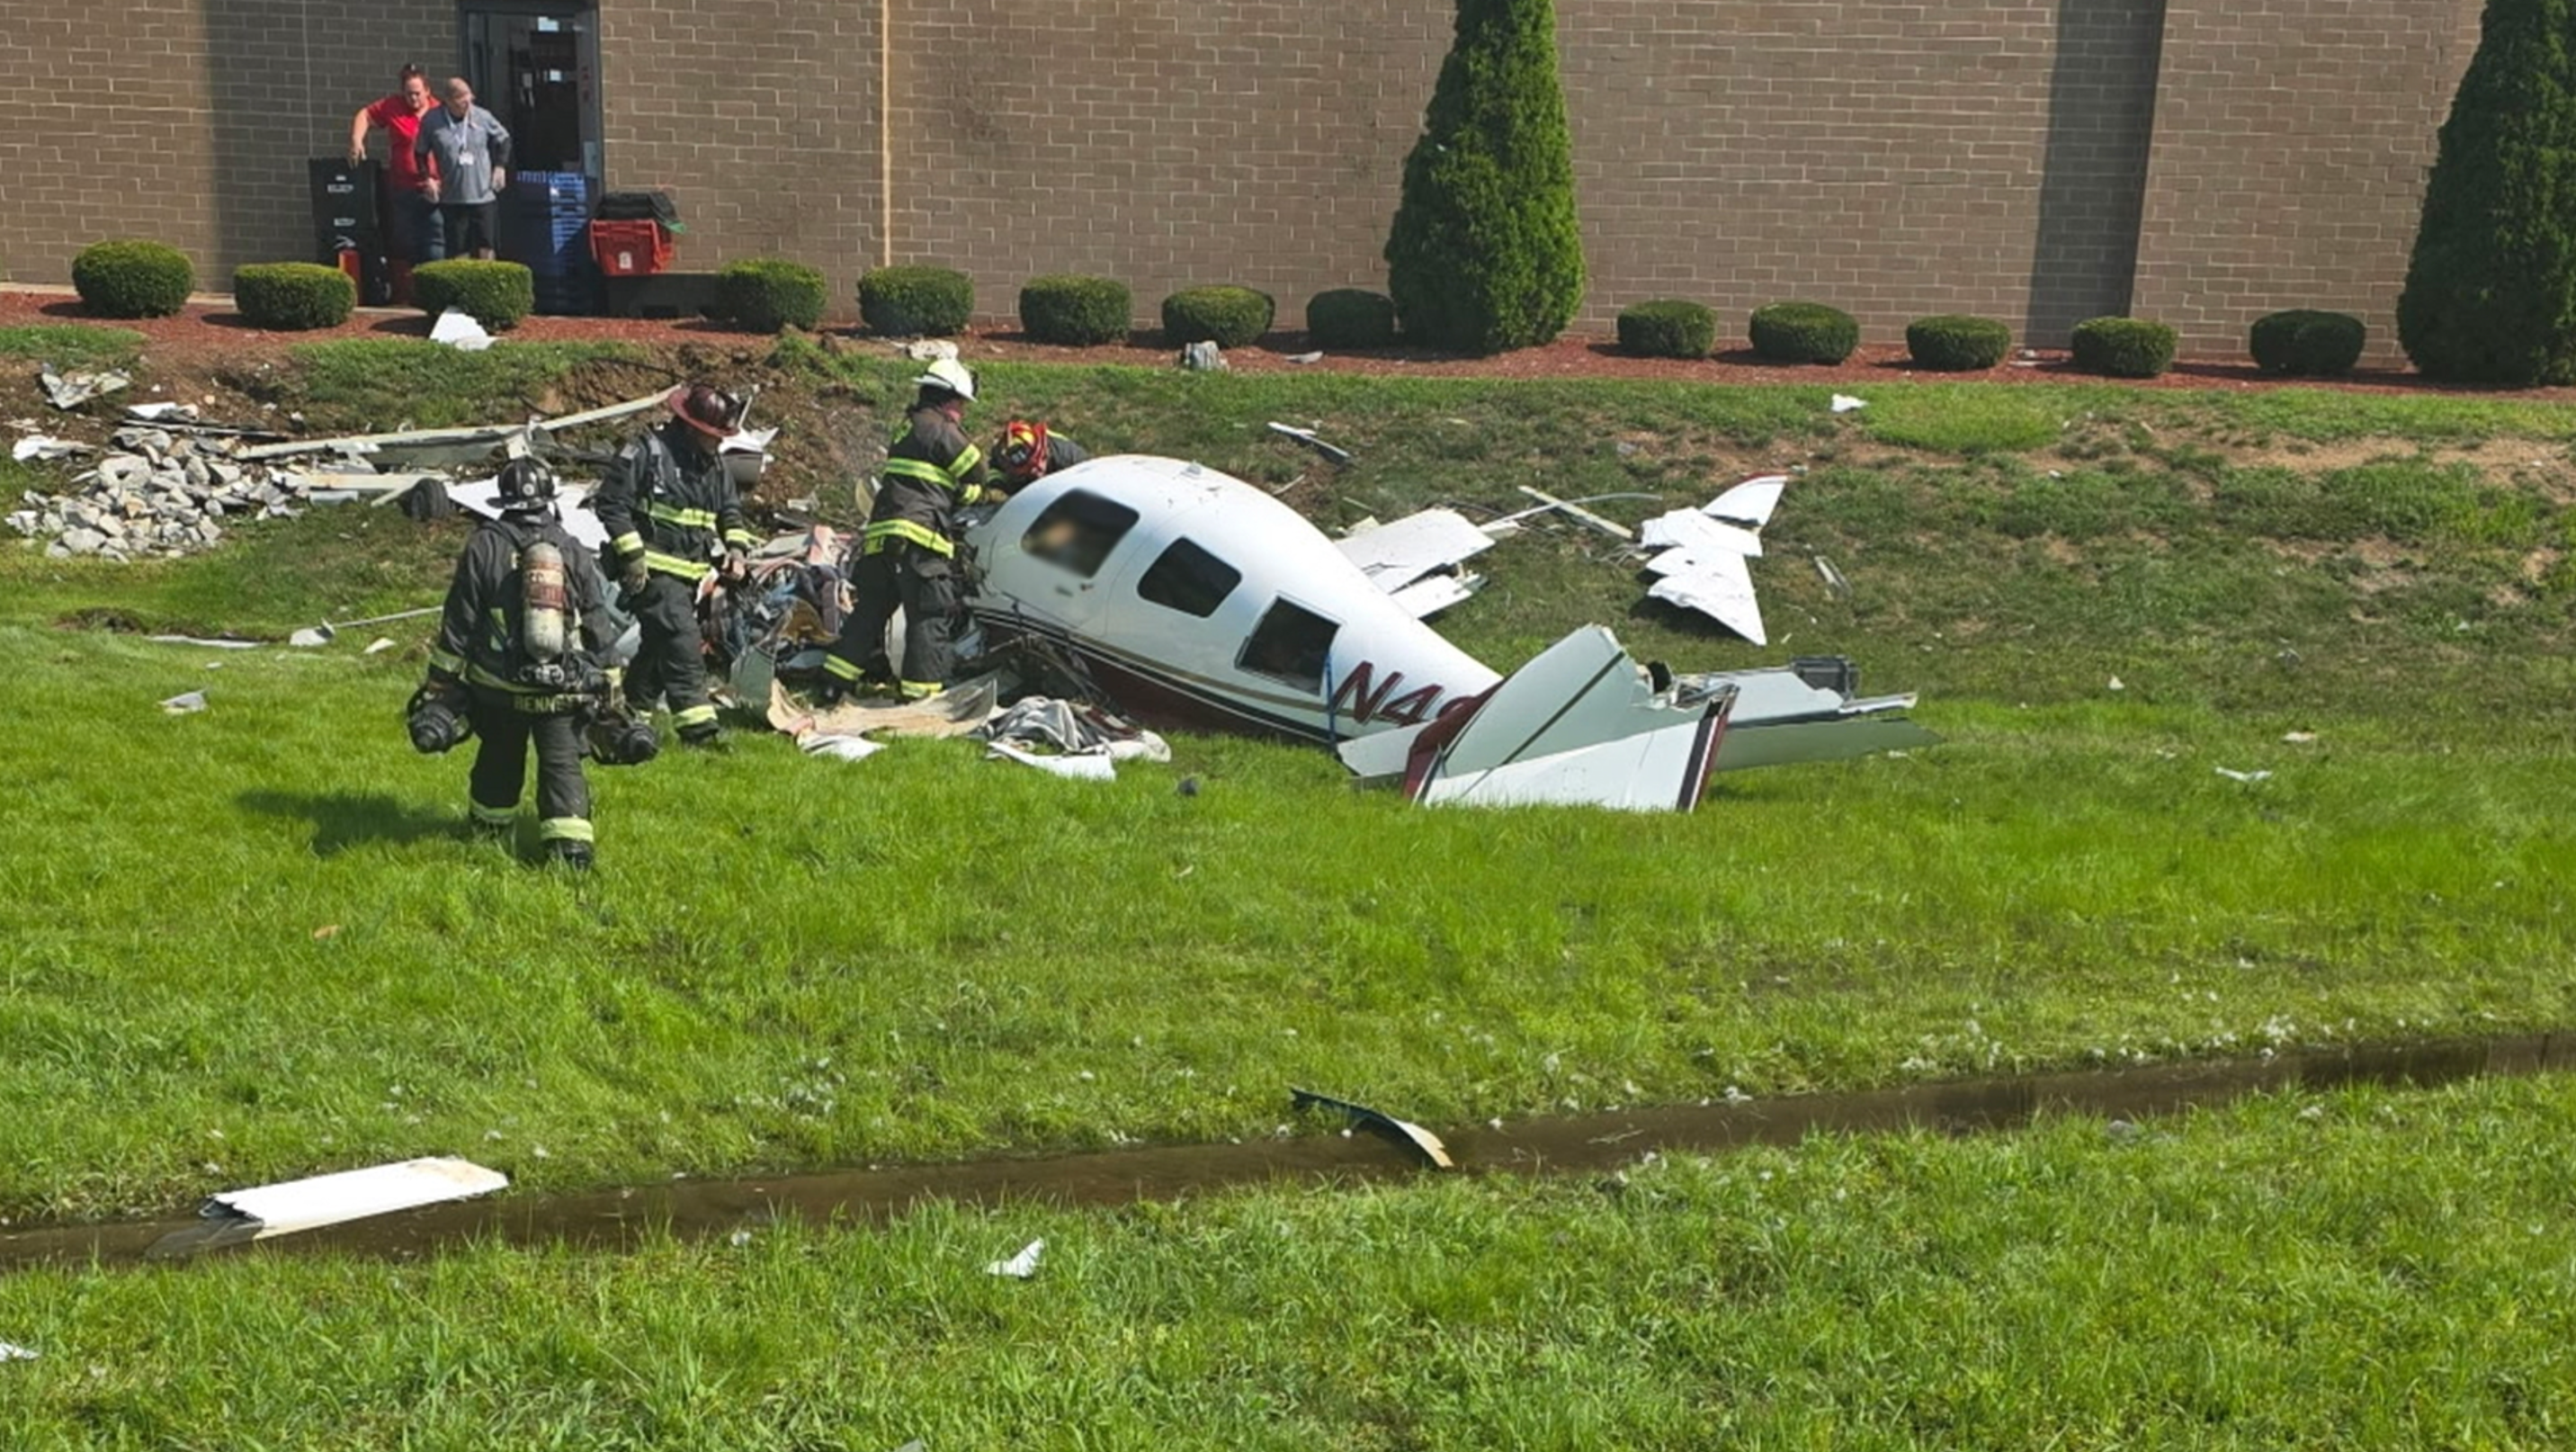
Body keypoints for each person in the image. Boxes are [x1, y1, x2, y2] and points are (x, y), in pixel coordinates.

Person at [410, 459, 627, 871]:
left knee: (498, 758)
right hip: (562, 691)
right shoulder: (571, 547)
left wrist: (441, 681)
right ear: (549, 500)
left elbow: (460, 619)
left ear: (503, 499)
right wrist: (611, 682)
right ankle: (571, 853)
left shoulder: (483, 545)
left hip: (498, 689)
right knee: (562, 766)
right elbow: (597, 618)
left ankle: (488, 835)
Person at [593, 383, 758, 747]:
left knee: (657, 644)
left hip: (689, 577)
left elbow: (729, 511)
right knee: (683, 644)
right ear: (689, 426)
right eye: (712, 434)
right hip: (651, 573)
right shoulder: (646, 451)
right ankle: (700, 734)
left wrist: (736, 551)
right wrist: (633, 556)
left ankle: (627, 717)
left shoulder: (712, 465)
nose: (719, 442)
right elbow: (610, 504)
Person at [823, 359, 997, 701]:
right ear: (948, 400)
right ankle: (922, 696)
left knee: (868, 613)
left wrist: (958, 492)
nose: (962, 412)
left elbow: (927, 482)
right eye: (961, 404)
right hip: (920, 541)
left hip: (881, 539)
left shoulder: (908, 427)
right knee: (929, 617)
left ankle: (834, 683)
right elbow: (977, 470)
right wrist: (979, 490)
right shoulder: (941, 428)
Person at [347, 64, 443, 300]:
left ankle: (434, 290)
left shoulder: (439, 112)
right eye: (409, 93)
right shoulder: (393, 107)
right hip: (403, 187)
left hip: (435, 188)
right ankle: (411, 291)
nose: (414, 98)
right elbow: (365, 114)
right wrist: (356, 140)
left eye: (418, 93)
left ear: (427, 90)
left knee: (435, 238)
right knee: (405, 239)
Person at [414, 76, 511, 261]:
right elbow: (420, 153)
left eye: (470, 99)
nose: (468, 105)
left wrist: (500, 167)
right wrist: (428, 179)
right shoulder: (432, 120)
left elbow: (504, 139)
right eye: (462, 101)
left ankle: (487, 283)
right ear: (449, 101)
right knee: (459, 249)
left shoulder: (482, 116)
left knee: (486, 246)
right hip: (453, 197)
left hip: (483, 195)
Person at [991, 417, 1091, 489]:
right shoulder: (1002, 453)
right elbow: (992, 472)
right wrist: (999, 485)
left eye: (1034, 468)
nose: (1035, 472)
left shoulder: (1070, 460)